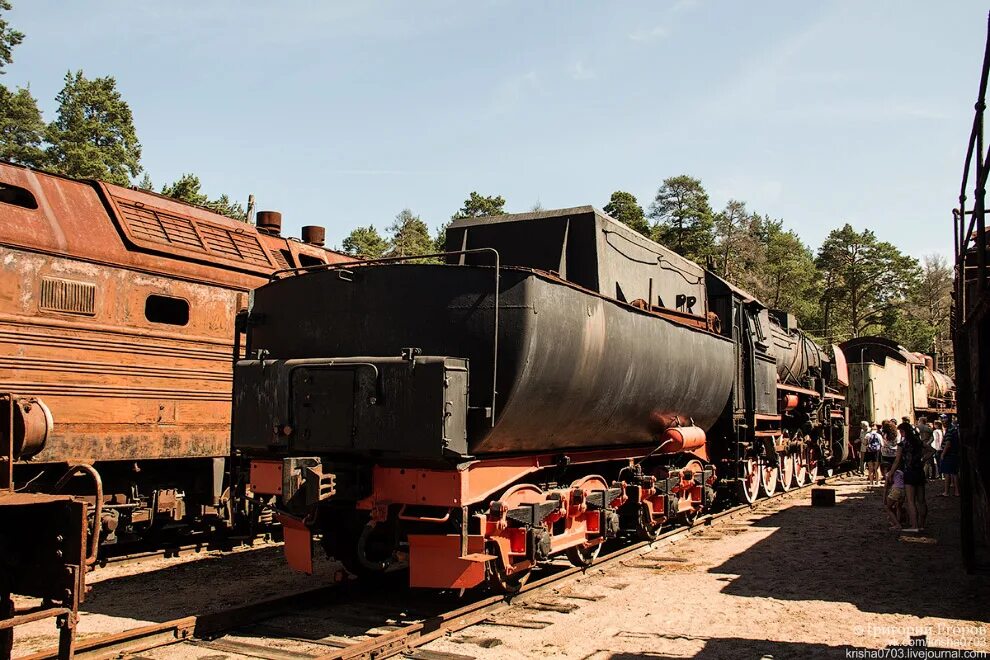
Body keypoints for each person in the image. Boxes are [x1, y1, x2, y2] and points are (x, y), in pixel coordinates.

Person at [888, 421, 927, 532]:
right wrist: (923, 460)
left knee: (911, 501)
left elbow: (897, 461)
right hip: (919, 471)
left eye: (901, 431)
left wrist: (890, 473)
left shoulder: (903, 444)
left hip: (909, 472)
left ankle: (914, 526)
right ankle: (922, 525)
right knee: (921, 500)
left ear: (903, 431)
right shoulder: (918, 442)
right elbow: (931, 450)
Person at [939, 420, 960, 497]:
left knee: (947, 473)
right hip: (954, 454)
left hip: (949, 455)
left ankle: (946, 492)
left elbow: (948, 444)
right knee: (954, 473)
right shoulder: (954, 431)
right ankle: (957, 491)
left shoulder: (949, 431)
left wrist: (943, 454)